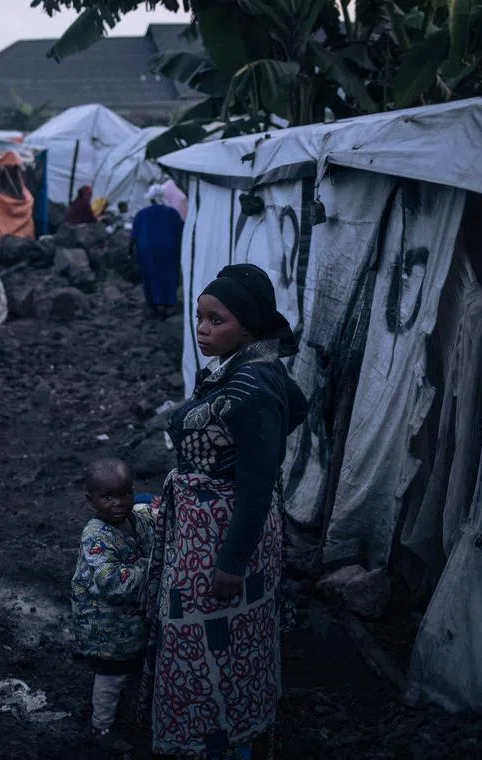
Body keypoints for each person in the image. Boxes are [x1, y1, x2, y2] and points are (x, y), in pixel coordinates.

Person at [141, 263, 307, 759]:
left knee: (204, 640)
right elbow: (297, 405)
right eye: (200, 318)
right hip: (212, 525)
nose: (203, 330)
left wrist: (231, 561)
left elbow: (257, 485)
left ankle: (212, 739)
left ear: (248, 325)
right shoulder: (251, 366)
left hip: (223, 536)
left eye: (217, 320)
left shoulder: (249, 386)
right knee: (232, 640)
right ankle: (230, 734)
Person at [71, 459, 155, 755]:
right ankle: (101, 726)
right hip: (105, 628)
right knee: (111, 674)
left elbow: (153, 510)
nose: (118, 503)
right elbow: (112, 582)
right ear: (90, 501)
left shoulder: (137, 519)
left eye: (125, 494)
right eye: (107, 497)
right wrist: (152, 566)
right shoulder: (96, 536)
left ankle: (127, 709)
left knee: (132, 668)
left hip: (129, 626)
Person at [131, 188, 184, 316]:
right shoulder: (173, 213)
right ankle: (168, 301)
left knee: (150, 274)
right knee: (168, 273)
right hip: (169, 249)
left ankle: (154, 302)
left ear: (150, 199)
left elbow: (135, 234)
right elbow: (182, 231)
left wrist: (130, 250)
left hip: (147, 249)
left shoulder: (142, 213)